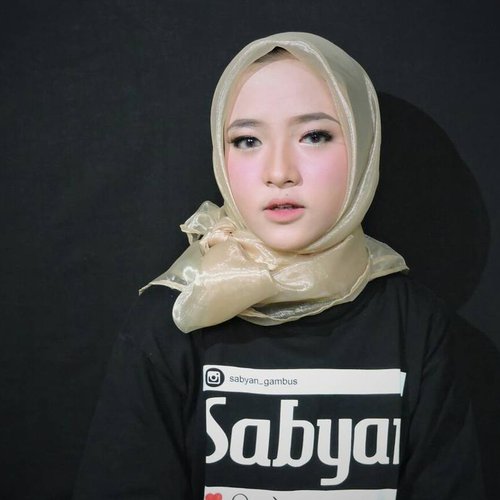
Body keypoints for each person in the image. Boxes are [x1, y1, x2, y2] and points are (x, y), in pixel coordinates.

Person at [73, 32, 484, 499]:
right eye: (247, 140)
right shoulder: (179, 315)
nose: (279, 171)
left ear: (364, 145)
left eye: (315, 136)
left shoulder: (415, 324)